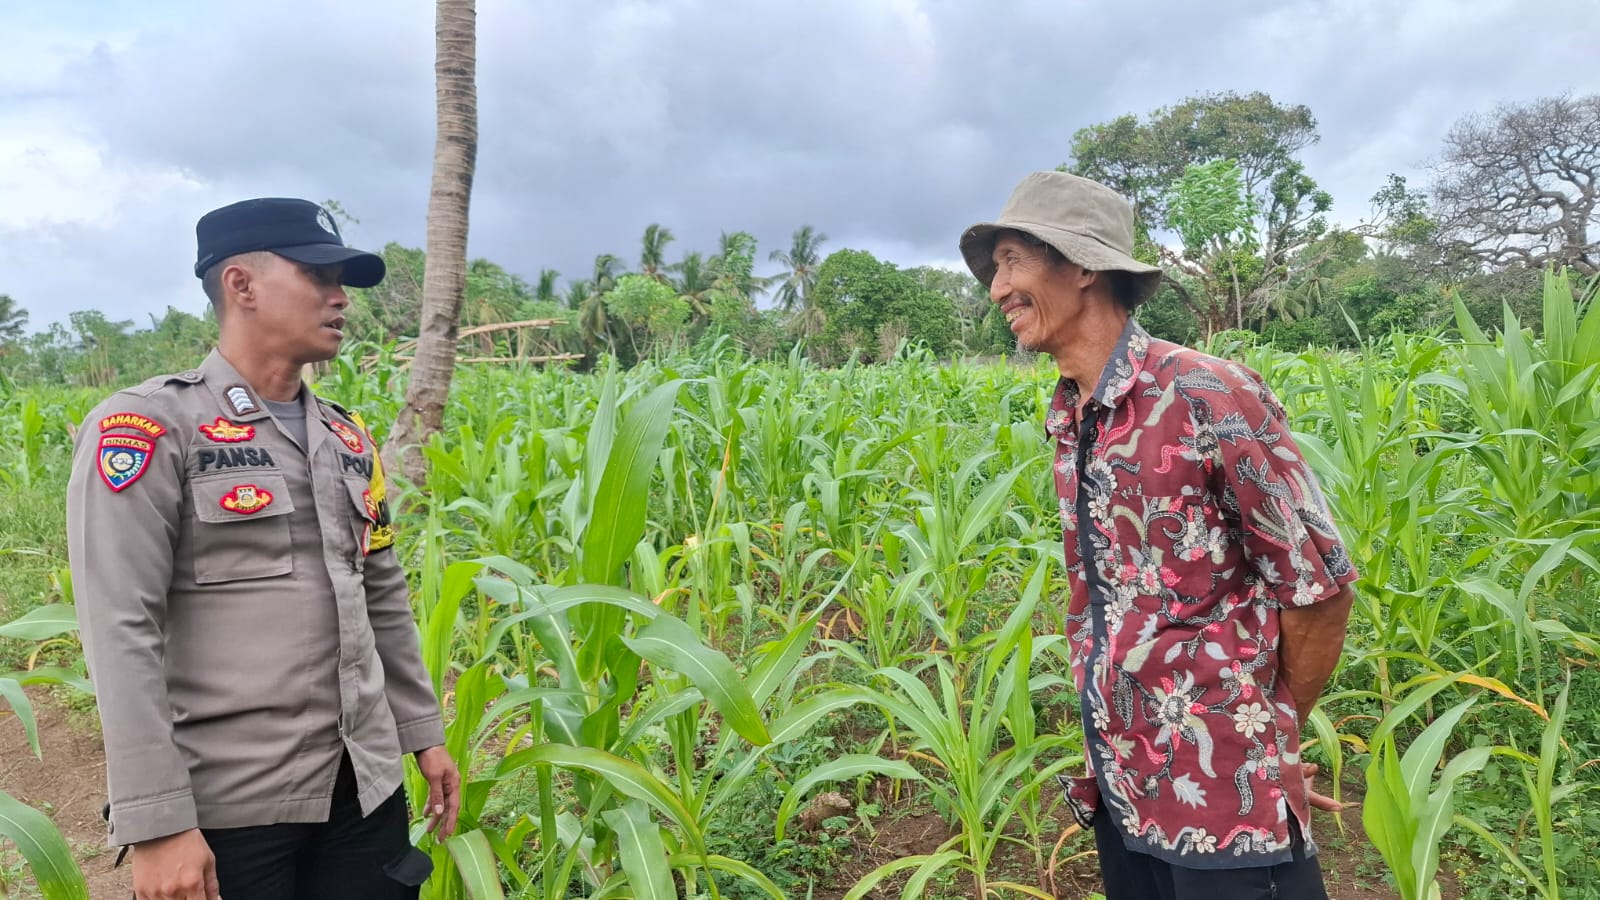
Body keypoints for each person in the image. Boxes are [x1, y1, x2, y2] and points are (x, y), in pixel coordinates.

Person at [959, 172, 1357, 900]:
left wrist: (1269, 736)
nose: (997, 289)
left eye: (1012, 261)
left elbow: (1319, 590)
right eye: (996, 268)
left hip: (1225, 799)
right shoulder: (1071, 414)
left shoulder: (1206, 391)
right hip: (1122, 783)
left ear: (1083, 266)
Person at [66, 198, 461, 900]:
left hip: (363, 789)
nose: (341, 297)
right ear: (240, 284)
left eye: (342, 281)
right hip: (231, 803)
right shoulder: (151, 427)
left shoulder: (348, 438)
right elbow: (120, 626)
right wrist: (157, 822)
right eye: (319, 275)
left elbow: (382, 595)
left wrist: (423, 732)